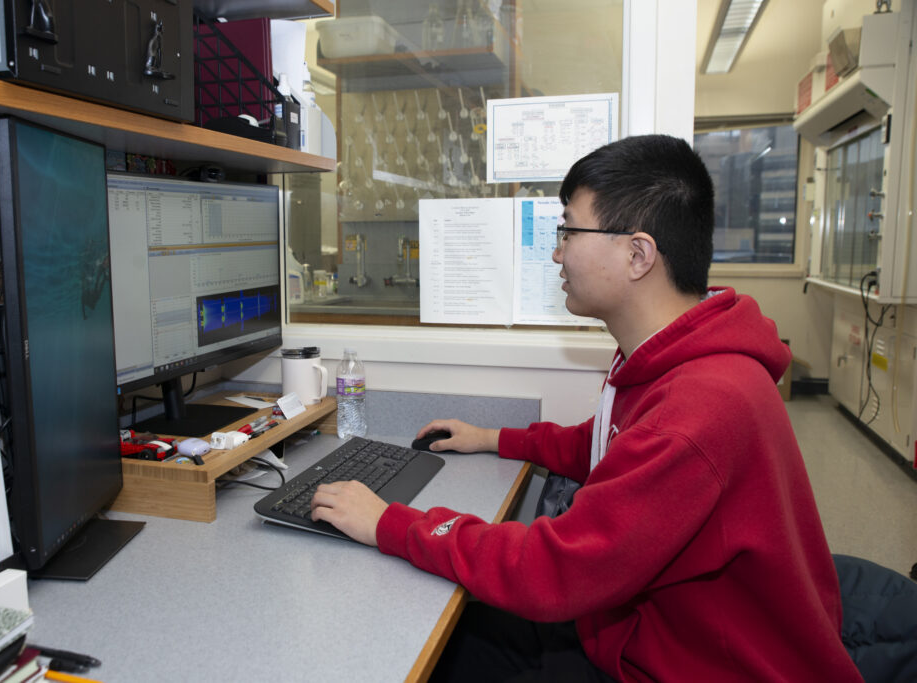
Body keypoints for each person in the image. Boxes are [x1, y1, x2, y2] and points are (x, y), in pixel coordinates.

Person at [310, 134, 862, 681]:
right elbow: (607, 446)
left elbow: (553, 572)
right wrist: (494, 437)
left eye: (569, 230)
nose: (556, 251)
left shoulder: (700, 407)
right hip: (651, 631)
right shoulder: (674, 356)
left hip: (689, 666)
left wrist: (389, 522)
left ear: (638, 254)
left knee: (430, 657)